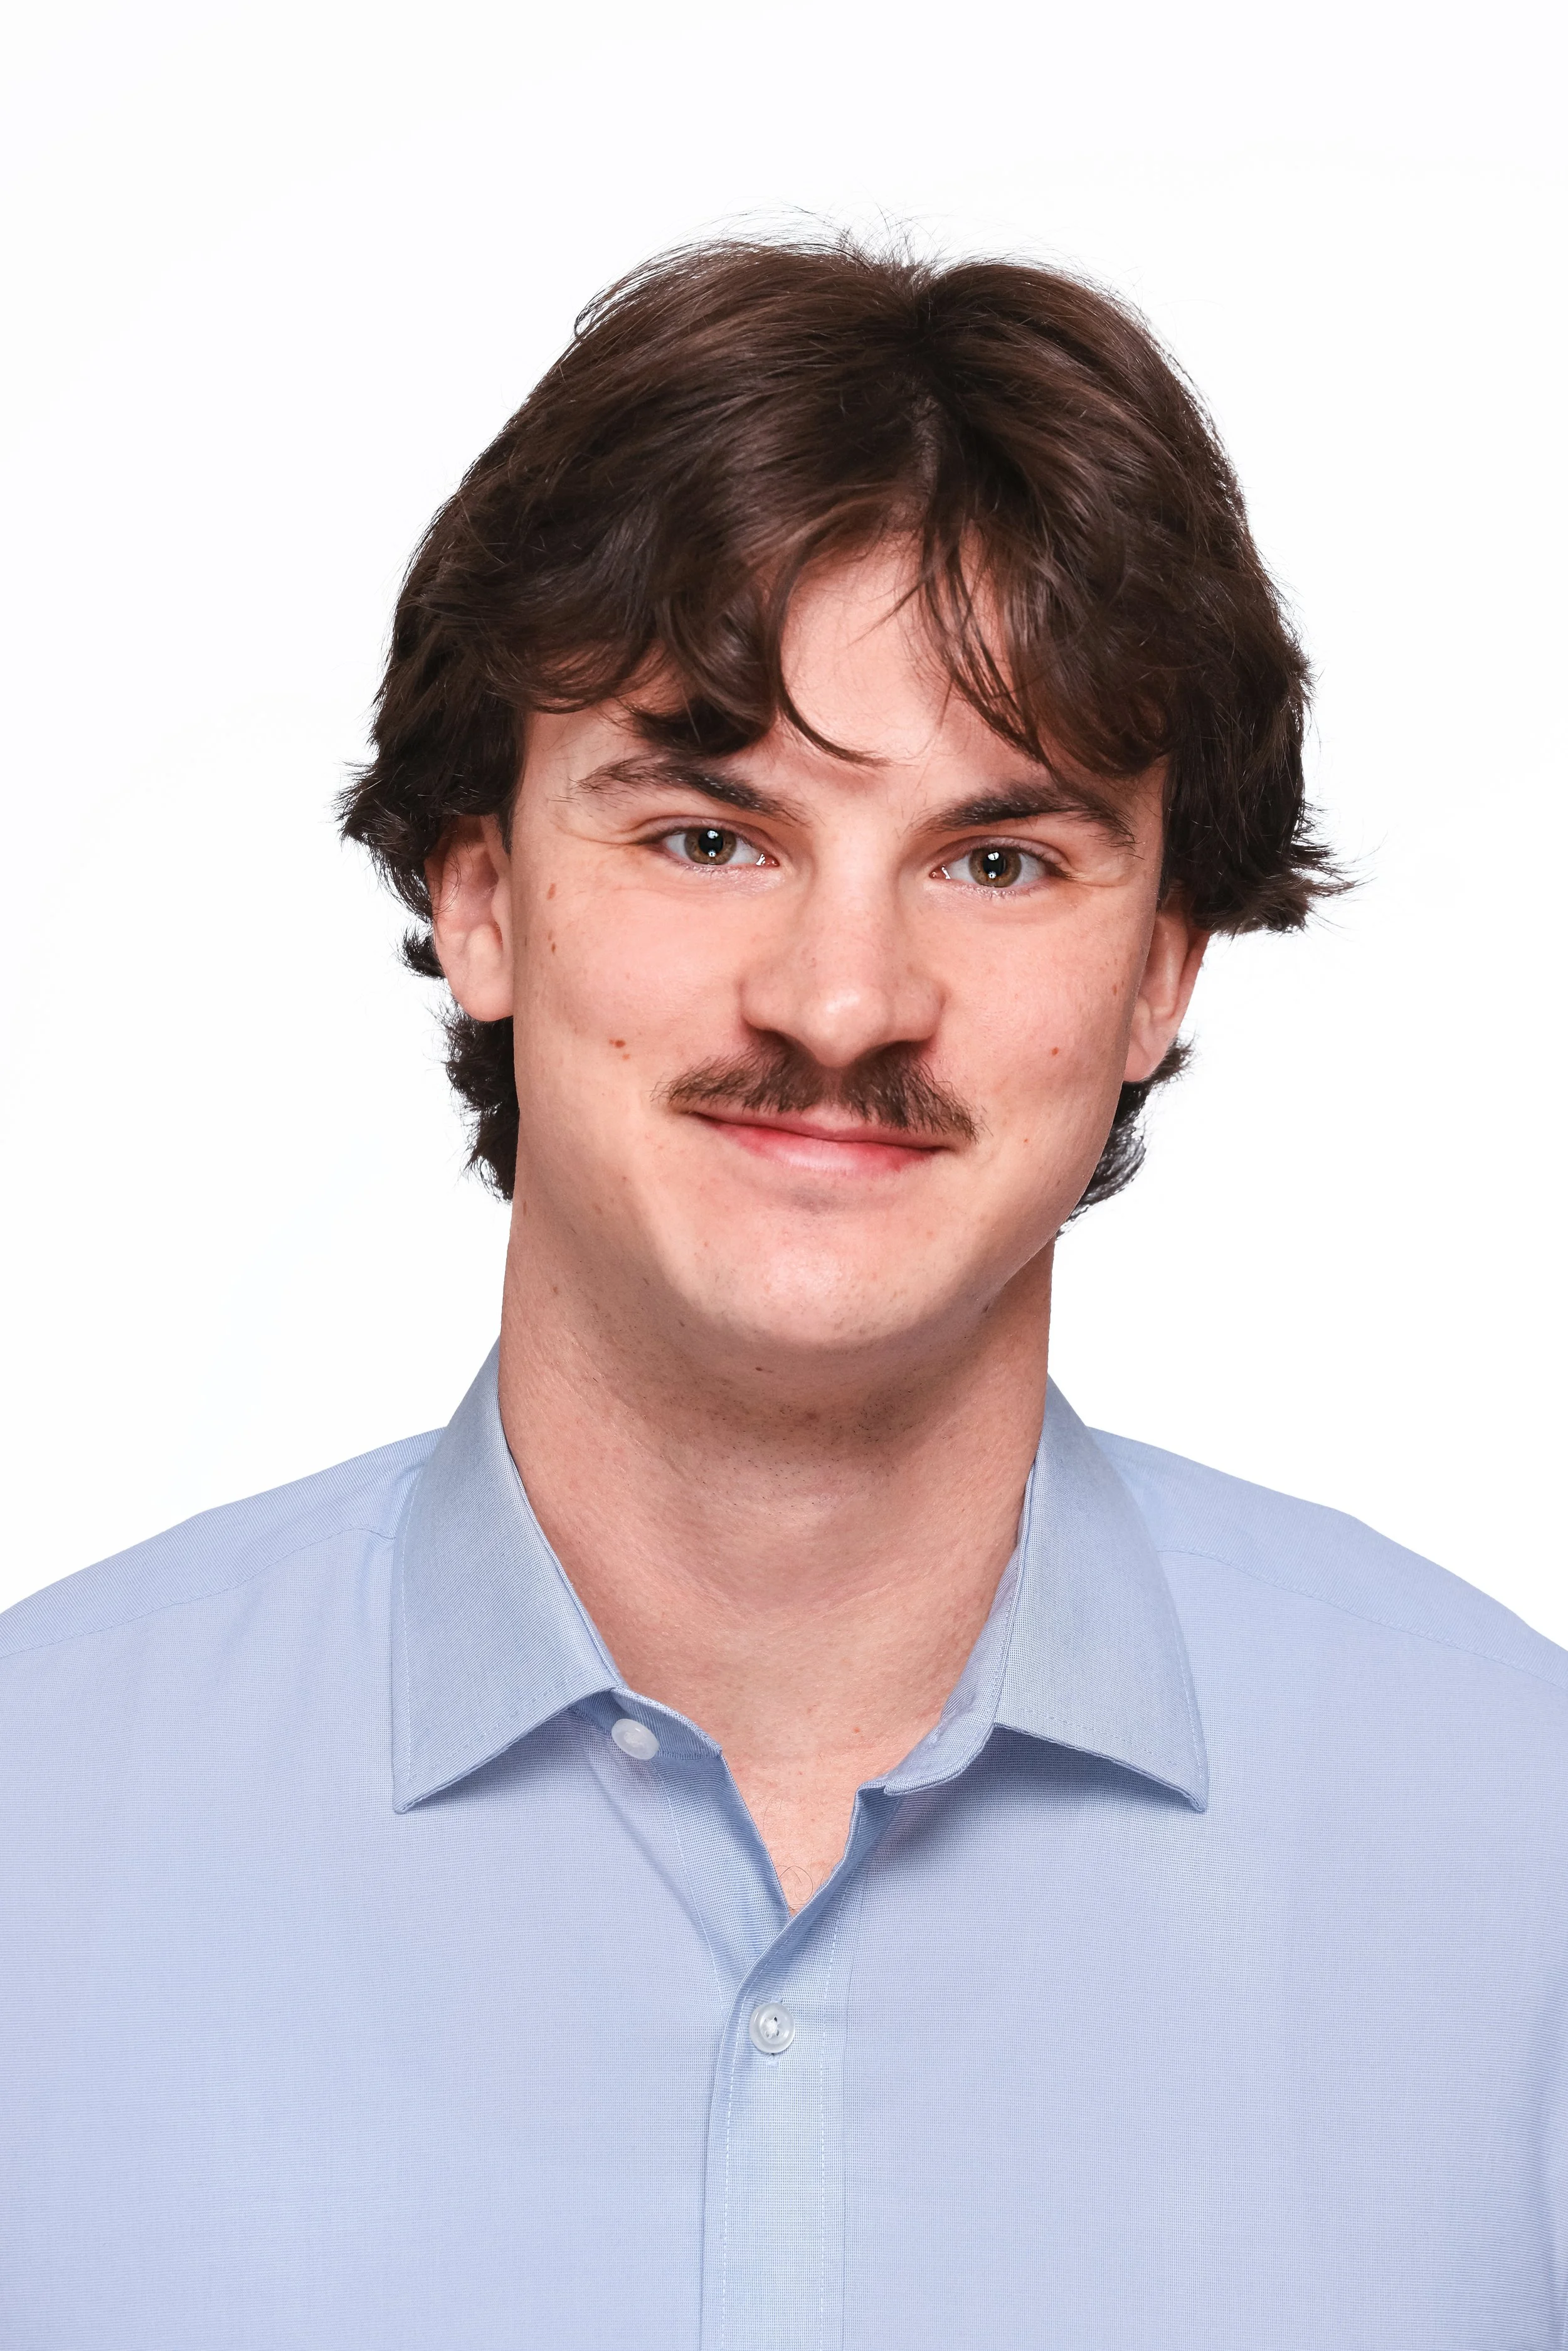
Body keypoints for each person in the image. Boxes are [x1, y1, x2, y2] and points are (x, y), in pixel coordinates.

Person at [2, 235, 1564, 2351]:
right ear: (478, 892)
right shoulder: (36, 1833)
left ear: (1162, 967)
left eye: (997, 860)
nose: (843, 999)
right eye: (707, 836)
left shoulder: (1518, 1854)